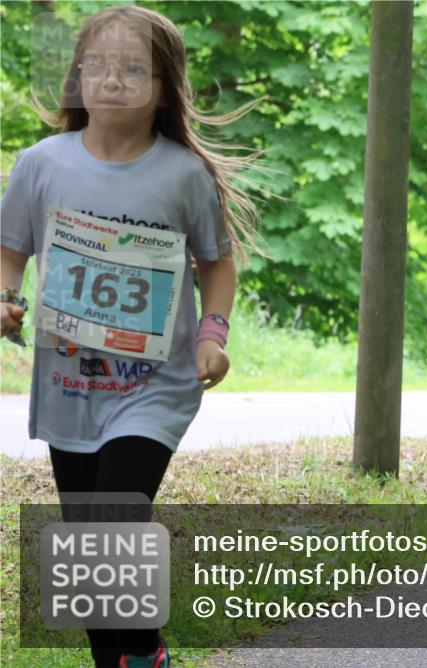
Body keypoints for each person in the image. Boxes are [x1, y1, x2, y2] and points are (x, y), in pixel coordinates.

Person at [0, 6, 262, 667]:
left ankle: (141, 653)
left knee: (114, 520)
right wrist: (5, 298)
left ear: (163, 85)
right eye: (97, 65)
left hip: (155, 385)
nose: (111, 79)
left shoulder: (182, 175)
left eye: (132, 68)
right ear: (76, 76)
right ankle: (130, 658)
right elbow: (10, 249)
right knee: (84, 547)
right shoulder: (40, 164)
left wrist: (212, 332)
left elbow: (217, 261)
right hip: (67, 386)